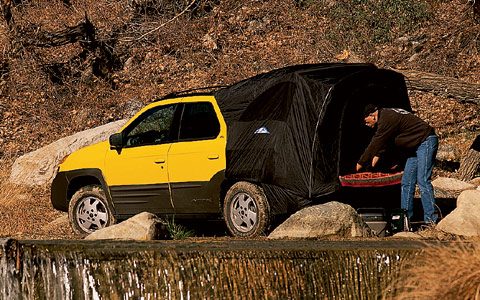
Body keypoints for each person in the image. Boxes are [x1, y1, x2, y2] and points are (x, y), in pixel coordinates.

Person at [356, 104, 439, 224]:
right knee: (406, 182)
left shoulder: (386, 118)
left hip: (425, 141)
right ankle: (405, 219)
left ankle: (431, 220)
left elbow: (377, 141)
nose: (366, 124)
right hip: (414, 146)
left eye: (366, 121)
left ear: (371, 115)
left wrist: (361, 162)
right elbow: (387, 140)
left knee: (423, 180)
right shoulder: (386, 116)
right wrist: (378, 155)